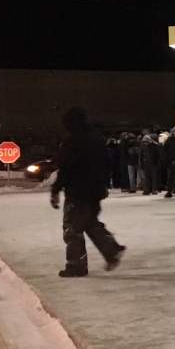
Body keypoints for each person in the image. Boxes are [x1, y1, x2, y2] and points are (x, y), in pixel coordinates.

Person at [51, 107, 125, 277]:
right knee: (88, 222)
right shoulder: (97, 140)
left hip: (77, 192)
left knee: (72, 228)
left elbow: (65, 168)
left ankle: (76, 265)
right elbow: (107, 164)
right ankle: (111, 250)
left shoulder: (72, 141)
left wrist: (55, 190)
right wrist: (102, 185)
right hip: (94, 191)